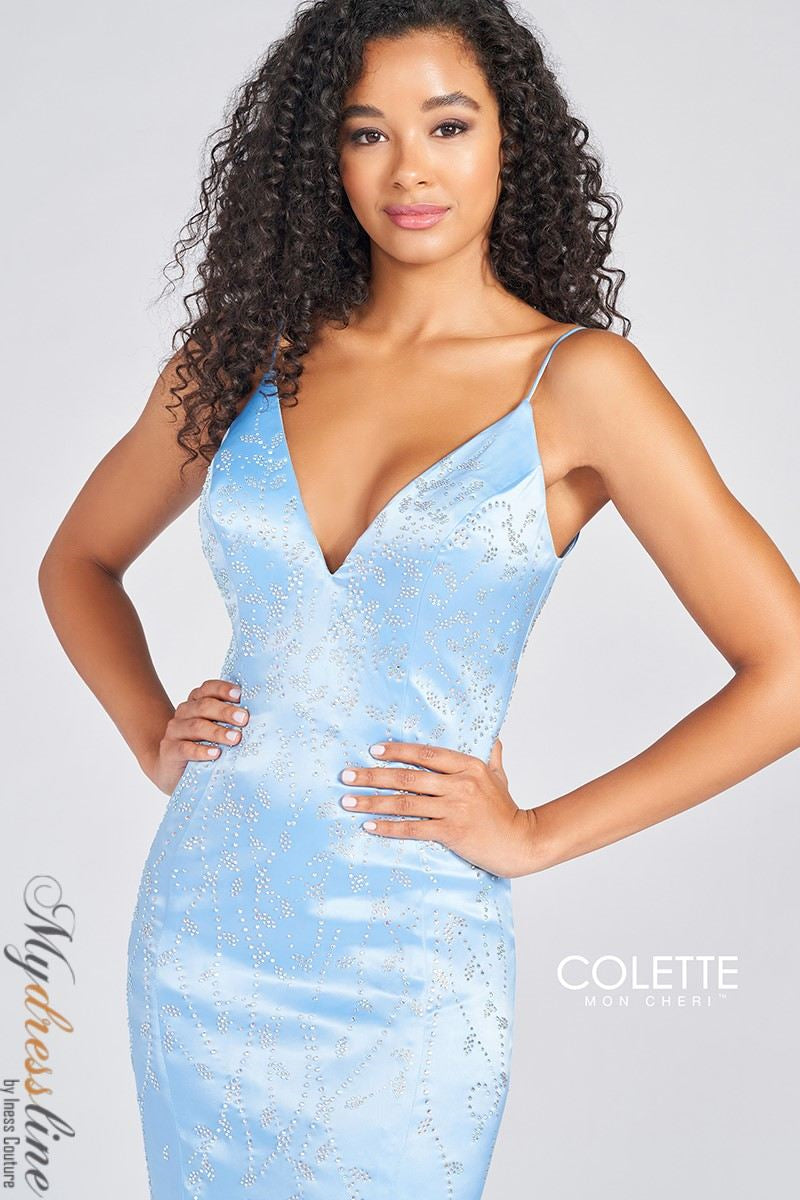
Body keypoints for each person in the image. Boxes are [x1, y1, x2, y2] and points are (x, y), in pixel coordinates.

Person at [38, 2, 800, 1197]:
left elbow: (786, 671)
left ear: (510, 138)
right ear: (323, 158)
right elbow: (76, 561)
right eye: (365, 133)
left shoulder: (579, 383)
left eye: (446, 126)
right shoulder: (239, 361)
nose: (407, 171)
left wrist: (535, 834)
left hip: (410, 957)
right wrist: (149, 731)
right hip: (204, 939)